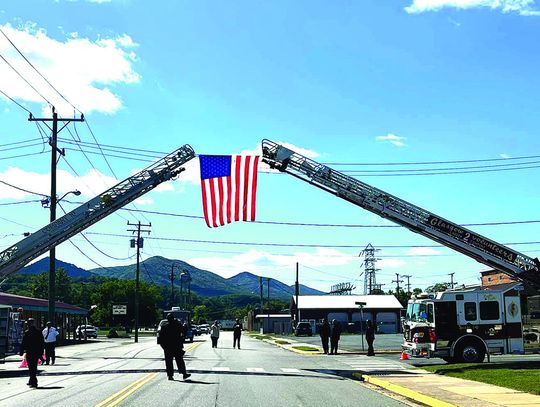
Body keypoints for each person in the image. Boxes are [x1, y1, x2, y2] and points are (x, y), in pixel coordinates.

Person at [157, 313, 190, 381]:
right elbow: (184, 331)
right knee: (180, 360)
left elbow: (160, 339)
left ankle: (170, 375)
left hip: (168, 347)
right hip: (176, 346)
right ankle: (184, 373)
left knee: (169, 362)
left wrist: (163, 346)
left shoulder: (164, 327)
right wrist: (185, 325)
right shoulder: (178, 325)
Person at [20, 318, 45, 388]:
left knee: (31, 367)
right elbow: (42, 343)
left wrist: (21, 351)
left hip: (30, 352)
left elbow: (24, 343)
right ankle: (32, 380)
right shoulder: (38, 332)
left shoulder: (27, 332)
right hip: (36, 353)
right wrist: (41, 353)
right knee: (33, 367)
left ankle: (34, 381)